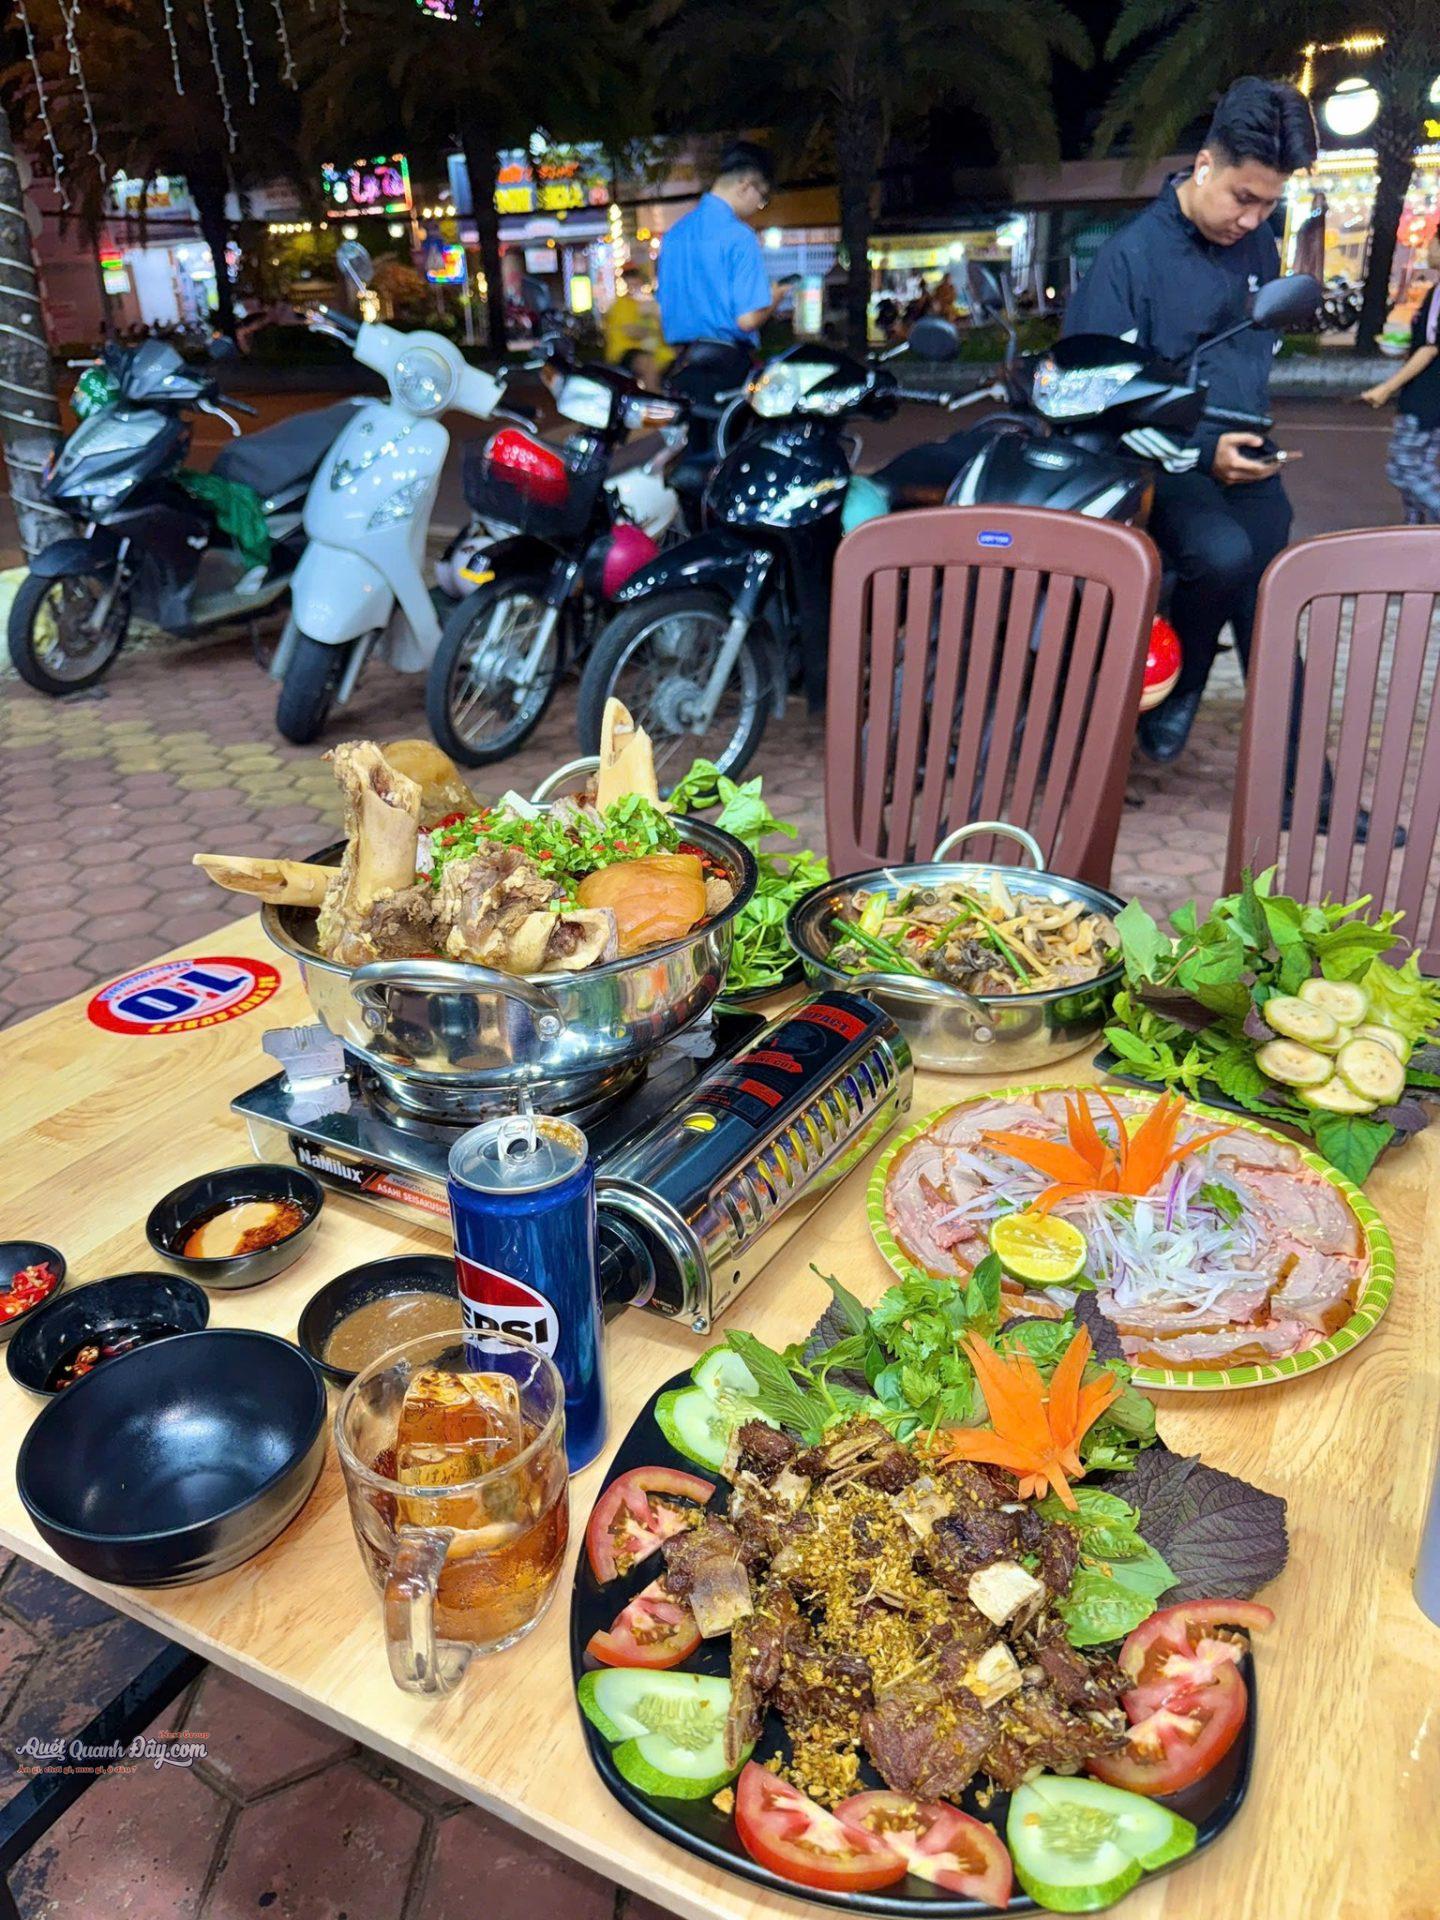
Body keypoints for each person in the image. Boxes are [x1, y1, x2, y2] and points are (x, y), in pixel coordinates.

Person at [1064, 76, 1318, 765]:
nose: (1253, 220)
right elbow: (1093, 396)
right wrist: (1205, 456)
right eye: (1243, 198)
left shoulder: (1258, 244)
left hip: (1246, 450)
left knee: (1274, 599)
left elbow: (1252, 352)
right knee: (1224, 555)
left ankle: (1307, 785)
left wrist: (1247, 446)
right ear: (1204, 166)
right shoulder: (1129, 257)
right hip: (1158, 459)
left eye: (1269, 204)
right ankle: (1183, 686)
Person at [655, 142, 776, 349]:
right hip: (729, 358)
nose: (759, 206)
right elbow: (747, 320)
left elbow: (662, 309)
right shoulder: (740, 236)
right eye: (762, 198)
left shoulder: (673, 235)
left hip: (681, 360)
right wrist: (777, 296)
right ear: (745, 185)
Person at [1361, 233, 1440, 523]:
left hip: (1426, 396)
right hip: (1428, 393)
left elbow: (1430, 348)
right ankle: (1414, 529)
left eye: (1433, 241)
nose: (1428, 248)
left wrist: (1386, 387)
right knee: (1417, 465)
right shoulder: (1435, 291)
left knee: (1404, 467)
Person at [603, 264, 667, 385]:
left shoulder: (645, 303)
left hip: (644, 349)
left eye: (636, 281)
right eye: (630, 281)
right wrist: (655, 332)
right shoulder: (621, 305)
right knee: (648, 364)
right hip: (625, 352)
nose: (634, 286)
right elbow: (631, 331)